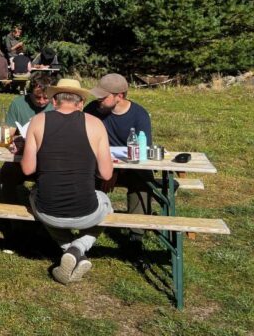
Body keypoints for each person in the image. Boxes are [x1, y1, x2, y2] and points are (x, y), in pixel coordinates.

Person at [21, 78, 113, 284]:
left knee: (35, 196)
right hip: (86, 211)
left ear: (54, 101)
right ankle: (77, 248)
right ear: (80, 103)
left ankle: (69, 250)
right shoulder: (95, 124)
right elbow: (106, 175)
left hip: (48, 211)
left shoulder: (38, 122)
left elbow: (28, 169)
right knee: (107, 203)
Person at [84, 73, 154, 248]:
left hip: (129, 167)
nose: (98, 99)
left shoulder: (139, 115)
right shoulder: (92, 110)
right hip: (98, 165)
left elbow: (141, 150)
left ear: (119, 96)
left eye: (103, 96)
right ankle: (84, 223)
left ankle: (136, 234)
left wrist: (116, 170)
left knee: (143, 180)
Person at [0, 79, 53, 204]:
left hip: (47, 158)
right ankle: (11, 212)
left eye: (46, 98)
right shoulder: (18, 104)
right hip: (22, 156)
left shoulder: (56, 104)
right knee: (7, 173)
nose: (41, 102)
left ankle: (43, 207)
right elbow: (7, 133)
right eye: (37, 97)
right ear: (30, 93)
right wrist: (8, 142)